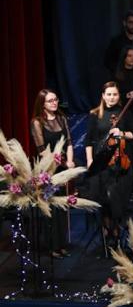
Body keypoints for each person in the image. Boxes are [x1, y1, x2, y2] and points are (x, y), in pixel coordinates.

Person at [85, 82, 133, 248]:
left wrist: (121, 133)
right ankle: (107, 231)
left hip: (120, 163)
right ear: (103, 95)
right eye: (109, 94)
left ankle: (117, 231)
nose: (112, 97)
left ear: (118, 96)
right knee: (104, 200)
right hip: (101, 162)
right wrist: (89, 162)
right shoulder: (95, 114)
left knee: (118, 199)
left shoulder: (125, 113)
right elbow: (88, 141)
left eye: (115, 94)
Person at [30, 89, 75, 258]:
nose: (54, 103)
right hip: (48, 170)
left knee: (62, 206)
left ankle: (62, 244)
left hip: (64, 166)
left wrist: (70, 163)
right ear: (42, 104)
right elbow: (42, 150)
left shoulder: (62, 118)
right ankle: (52, 246)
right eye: (50, 101)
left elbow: (69, 142)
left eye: (55, 99)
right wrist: (62, 163)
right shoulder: (37, 122)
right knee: (52, 209)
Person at [104, 9, 133, 75]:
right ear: (124, 23)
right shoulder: (116, 41)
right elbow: (108, 61)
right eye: (131, 22)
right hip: (121, 78)